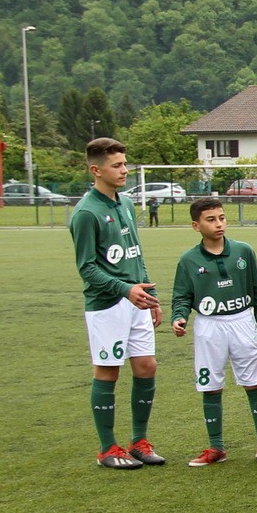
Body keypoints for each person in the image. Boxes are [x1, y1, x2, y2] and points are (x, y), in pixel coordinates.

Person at [71, 138, 163, 469]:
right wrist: (124, 289)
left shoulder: (124, 203)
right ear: (96, 170)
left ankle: (138, 441)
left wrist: (150, 294)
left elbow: (135, 252)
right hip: (108, 303)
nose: (124, 170)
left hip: (136, 299)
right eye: (117, 165)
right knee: (108, 370)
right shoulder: (86, 213)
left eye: (125, 164)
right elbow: (87, 268)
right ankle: (107, 448)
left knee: (146, 366)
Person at [171, 196, 257, 465]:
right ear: (196, 226)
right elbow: (182, 296)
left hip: (242, 322)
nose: (219, 224)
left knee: (254, 382)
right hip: (209, 325)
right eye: (211, 220)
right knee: (210, 386)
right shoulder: (189, 260)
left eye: (221, 218)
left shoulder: (243, 251)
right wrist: (179, 317)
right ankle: (216, 447)